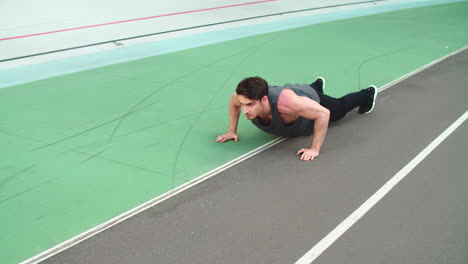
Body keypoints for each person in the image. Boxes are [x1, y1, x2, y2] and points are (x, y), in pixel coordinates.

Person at [216, 76, 377, 161]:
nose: (245, 110)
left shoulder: (287, 104)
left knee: (339, 109)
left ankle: (367, 94)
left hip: (307, 99)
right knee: (302, 93)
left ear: (264, 100)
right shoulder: (241, 98)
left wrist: (314, 148)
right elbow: (233, 102)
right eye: (243, 104)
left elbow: (323, 114)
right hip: (296, 95)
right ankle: (316, 85)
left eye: (250, 105)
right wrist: (231, 131)